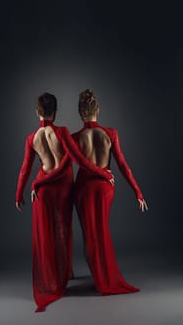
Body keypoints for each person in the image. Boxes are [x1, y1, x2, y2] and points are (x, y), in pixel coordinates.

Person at [15, 92, 114, 312]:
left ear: (37, 111)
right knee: (64, 229)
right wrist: (104, 173)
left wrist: (22, 191)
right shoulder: (62, 133)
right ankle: (65, 273)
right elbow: (78, 159)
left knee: (48, 233)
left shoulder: (32, 138)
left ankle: (55, 278)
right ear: (56, 111)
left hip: (42, 189)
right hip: (63, 188)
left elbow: (25, 169)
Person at [72, 89, 148, 295]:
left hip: (83, 188)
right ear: (98, 110)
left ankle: (98, 277)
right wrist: (138, 192)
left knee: (89, 234)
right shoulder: (111, 133)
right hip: (106, 187)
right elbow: (123, 165)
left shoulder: (75, 137)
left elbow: (65, 167)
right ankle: (105, 276)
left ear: (80, 113)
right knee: (101, 229)